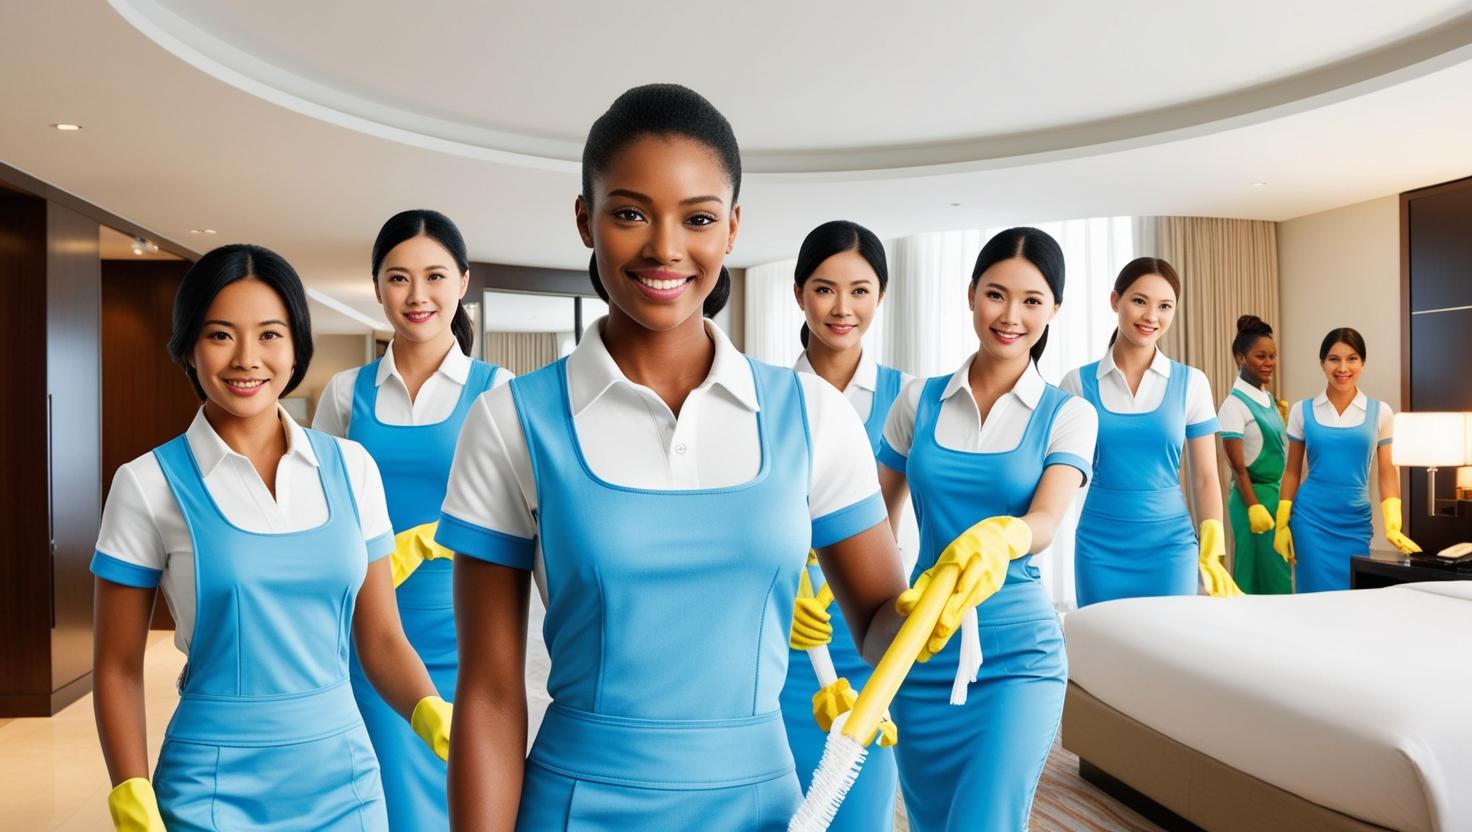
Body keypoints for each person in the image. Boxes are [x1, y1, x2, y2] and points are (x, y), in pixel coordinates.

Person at [439, 84, 1001, 830]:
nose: (666, 248)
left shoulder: (813, 418)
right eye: (631, 213)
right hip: (577, 805)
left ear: (732, 229)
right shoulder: (511, 421)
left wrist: (937, 602)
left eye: (698, 218)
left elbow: (873, 619)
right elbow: (490, 693)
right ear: (586, 219)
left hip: (759, 805)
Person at [91, 245, 450, 831]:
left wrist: (431, 710)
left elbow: (381, 638)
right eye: (220, 335)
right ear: (188, 346)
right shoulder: (147, 483)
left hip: (346, 781)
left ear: (296, 347)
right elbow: (118, 667)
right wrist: (129, 793)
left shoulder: (352, 467)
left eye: (270, 335)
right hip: (212, 790)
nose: (247, 359)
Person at [877, 227, 1097, 831]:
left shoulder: (1069, 414)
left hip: (1017, 656)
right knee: (932, 821)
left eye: (1032, 300)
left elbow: (1047, 518)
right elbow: (872, 522)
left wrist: (1005, 536)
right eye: (996, 294)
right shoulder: (916, 402)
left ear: (1054, 308)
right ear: (971, 294)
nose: (1011, 315)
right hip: (922, 645)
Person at [315, 210, 511, 829]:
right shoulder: (346, 394)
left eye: (435, 276)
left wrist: (436, 537)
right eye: (399, 278)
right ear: (377, 288)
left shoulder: (497, 390)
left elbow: (522, 519)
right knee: (384, 798)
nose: (418, 295)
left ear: (463, 282)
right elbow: (318, 513)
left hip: (467, 630)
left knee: (464, 800)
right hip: (369, 634)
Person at [782, 219, 907, 831]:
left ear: (880, 297)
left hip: (874, 627)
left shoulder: (908, 399)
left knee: (859, 804)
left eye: (860, 290)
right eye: (825, 288)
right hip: (778, 636)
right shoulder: (765, 397)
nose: (842, 307)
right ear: (800, 292)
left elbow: (903, 515)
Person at [1062, 257, 1239, 606]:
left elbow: (1205, 476)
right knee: (1102, 653)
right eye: (1139, 301)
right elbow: (1063, 473)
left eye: (1165, 306)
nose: (1151, 317)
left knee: (1170, 648)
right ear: (1116, 301)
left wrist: (1213, 545)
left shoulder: (1192, 382)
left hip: (1169, 546)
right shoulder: (1077, 384)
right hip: (1099, 546)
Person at [1275, 327, 1420, 591]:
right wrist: (1282, 522)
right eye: (1334, 359)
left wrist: (1393, 524)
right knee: (1314, 601)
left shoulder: (1381, 412)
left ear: (1363, 363)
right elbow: (1292, 472)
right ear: (1322, 363)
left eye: (1352, 358)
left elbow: (1387, 472)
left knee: (1354, 600)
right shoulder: (1301, 410)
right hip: (1310, 522)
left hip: (1355, 522)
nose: (1343, 367)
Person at [1218, 315, 1290, 594]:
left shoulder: (1268, 398)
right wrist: (1254, 507)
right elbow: (1237, 467)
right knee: (1257, 575)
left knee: (1278, 574)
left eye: (1272, 356)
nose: (1269, 362)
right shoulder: (1233, 406)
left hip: (1274, 498)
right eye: (1261, 356)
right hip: (1252, 501)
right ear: (1241, 358)